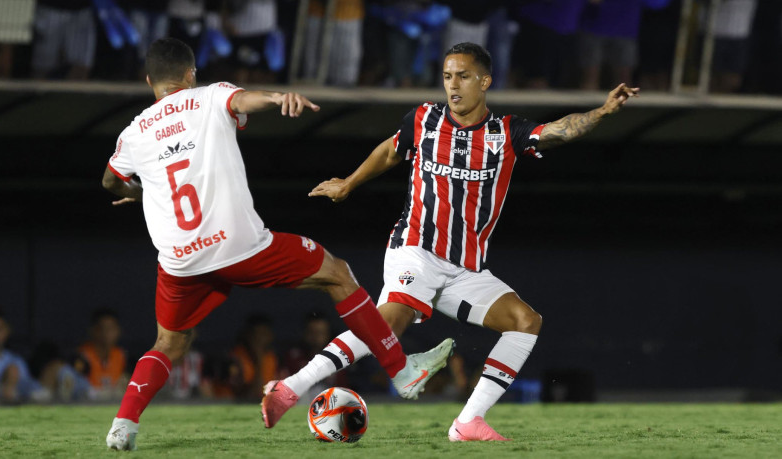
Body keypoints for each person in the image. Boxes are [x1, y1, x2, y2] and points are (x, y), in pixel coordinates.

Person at [262, 42, 639, 441]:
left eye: (462, 76)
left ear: (485, 81)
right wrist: (349, 183)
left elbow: (559, 131)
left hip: (464, 268)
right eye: (447, 76)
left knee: (525, 322)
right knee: (389, 323)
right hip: (416, 250)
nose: (453, 85)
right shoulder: (424, 119)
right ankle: (291, 389)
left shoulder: (506, 133)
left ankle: (467, 422)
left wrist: (601, 112)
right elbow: (391, 151)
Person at [100, 37, 454, 451]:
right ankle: (401, 370)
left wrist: (145, 191)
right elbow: (244, 101)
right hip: (238, 246)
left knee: (168, 343)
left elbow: (110, 181)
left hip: (180, 259)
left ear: (149, 81)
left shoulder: (134, 132)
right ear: (191, 74)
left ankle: (123, 423)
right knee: (337, 273)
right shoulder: (210, 96)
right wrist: (278, 97)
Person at [79, 308, 129, 400]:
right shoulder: (82, 356)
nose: (107, 333)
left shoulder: (121, 356)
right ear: (93, 331)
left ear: (118, 331)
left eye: (111, 328)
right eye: (102, 328)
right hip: (86, 403)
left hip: (112, 404)